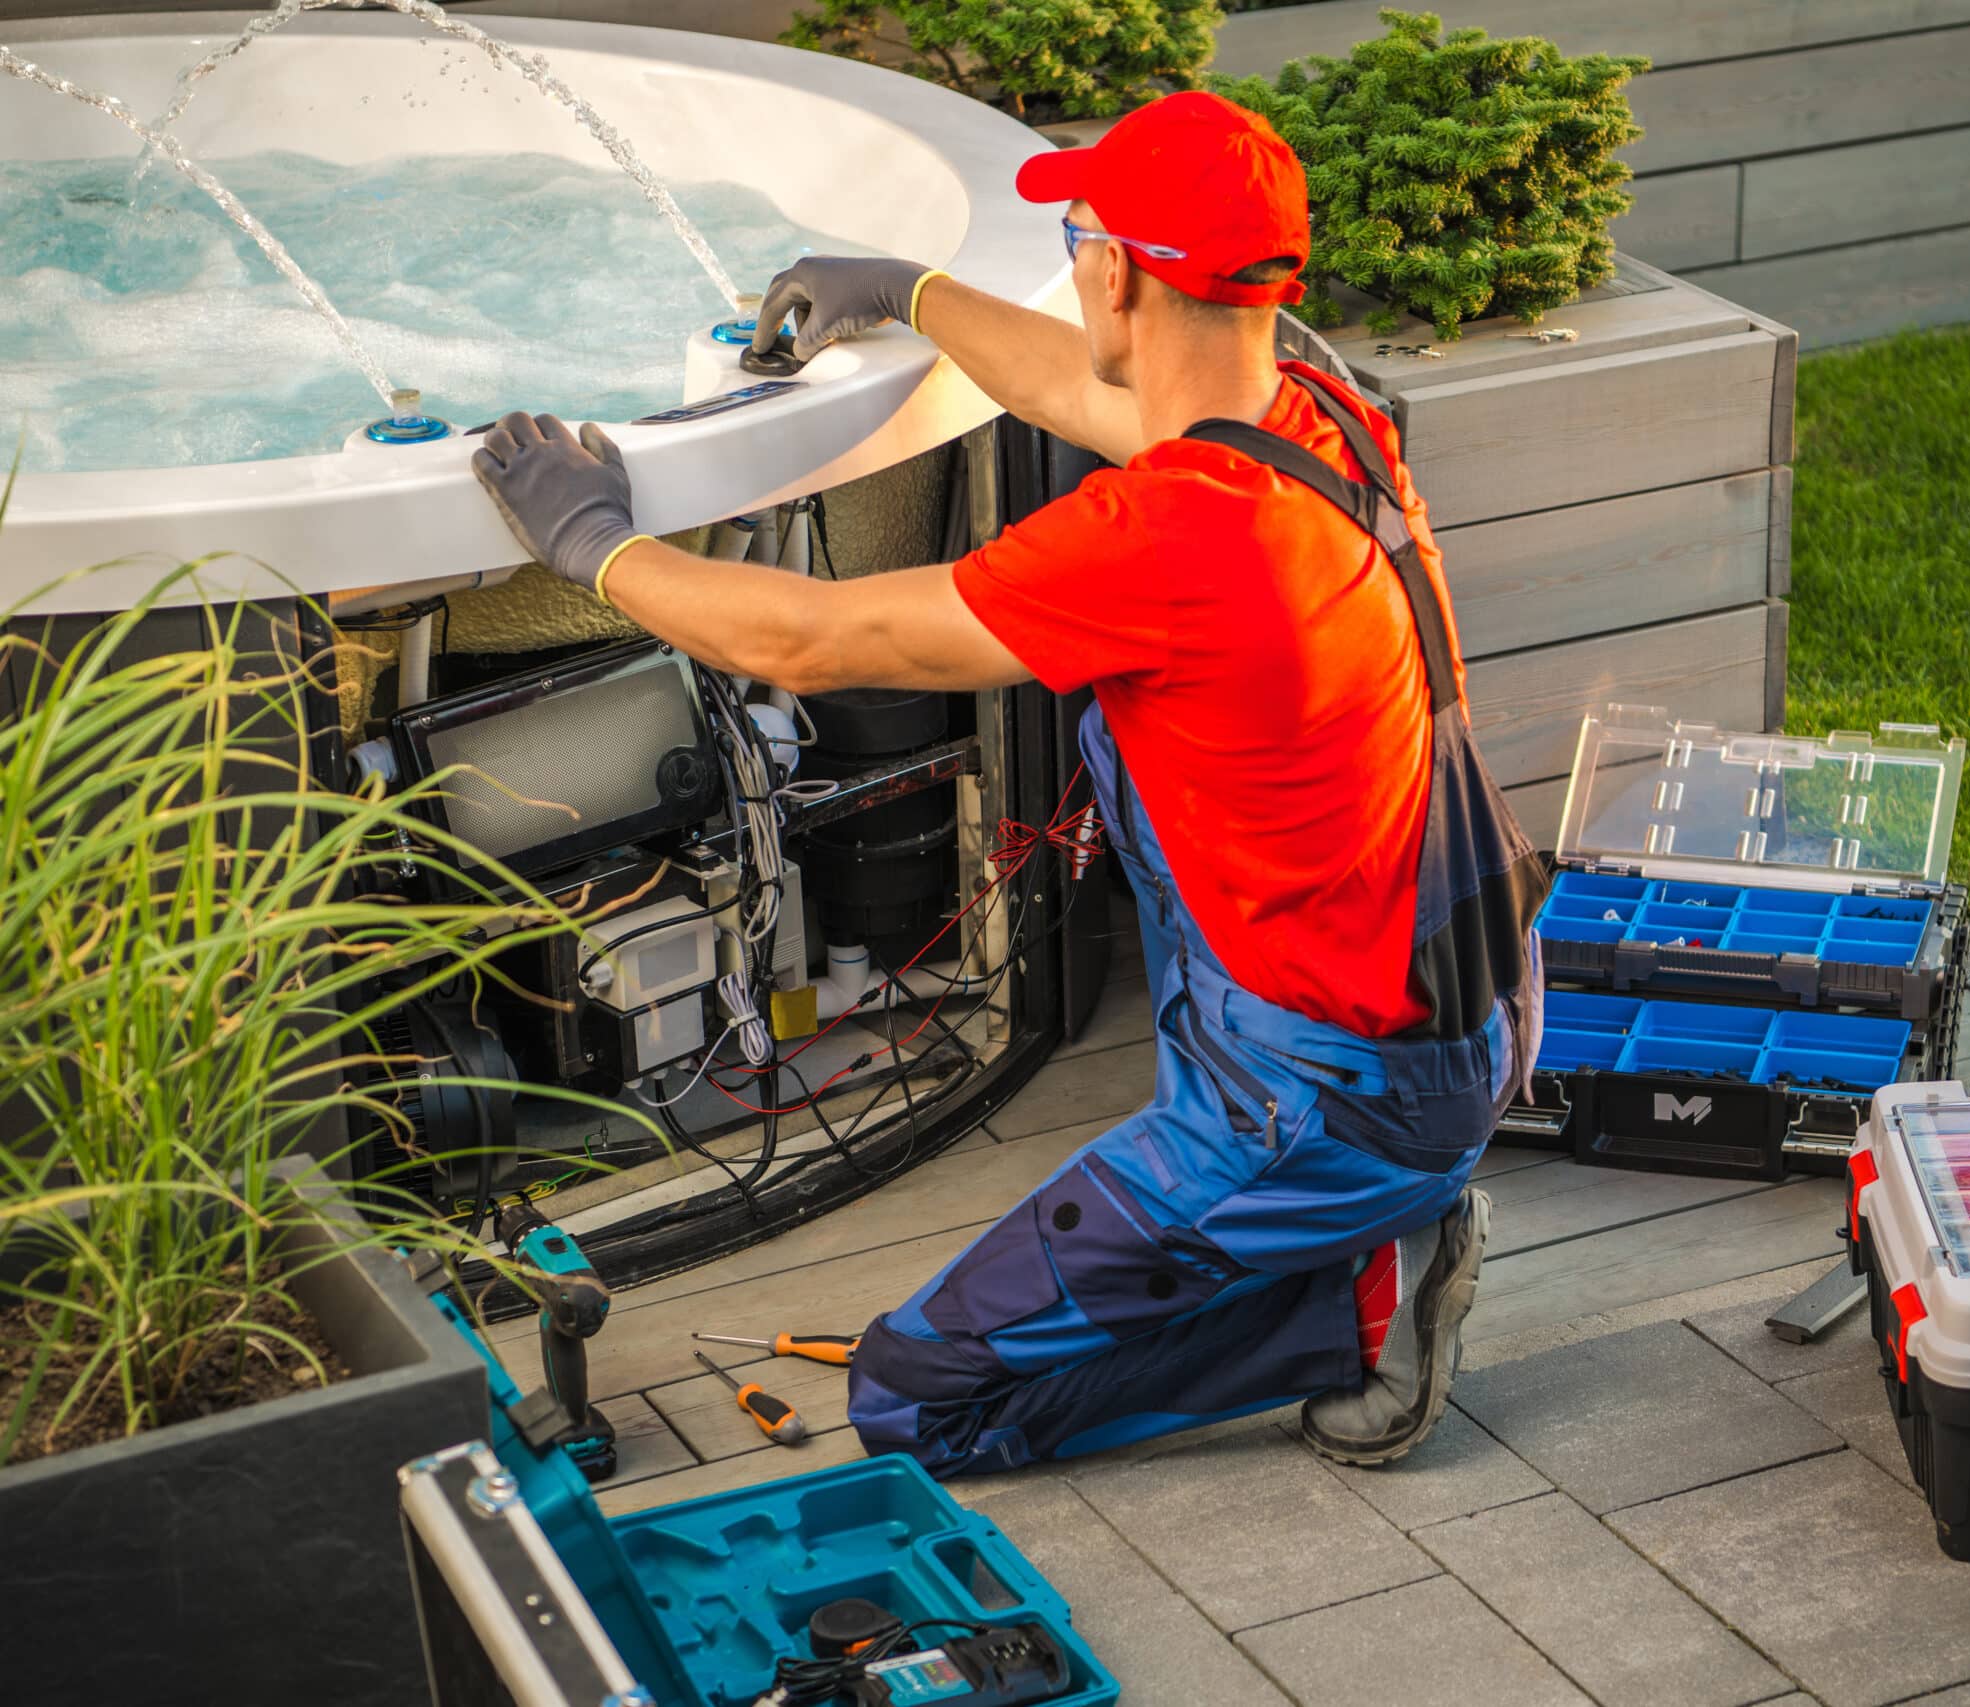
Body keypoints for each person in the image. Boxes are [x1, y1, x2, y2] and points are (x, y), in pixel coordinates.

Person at [470, 92, 1547, 1476]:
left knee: (916, 1402)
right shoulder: (1318, 414)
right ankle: (1356, 1213)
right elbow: (1084, 389)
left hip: (1329, 1091)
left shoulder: (1168, 541)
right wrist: (903, 293)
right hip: (1452, 992)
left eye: (1082, 233)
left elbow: (806, 639)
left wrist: (593, 544)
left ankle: (1358, 1303)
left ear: (1111, 274)